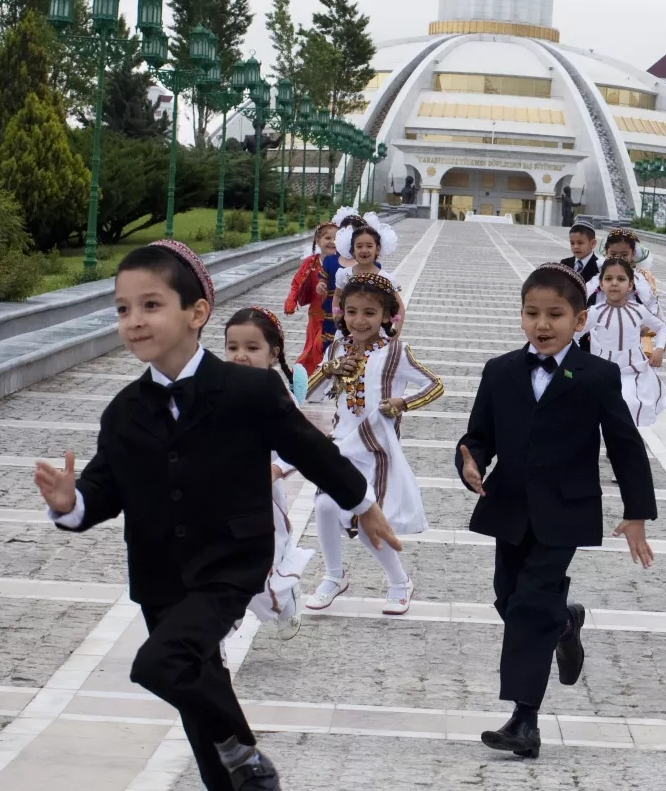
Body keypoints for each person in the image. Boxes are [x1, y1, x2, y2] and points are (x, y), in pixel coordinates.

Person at [31, 241, 401, 791]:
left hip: (230, 561)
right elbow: (104, 489)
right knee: (200, 692)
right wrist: (70, 502)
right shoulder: (124, 411)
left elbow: (310, 449)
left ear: (196, 312)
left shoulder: (248, 390)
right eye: (122, 309)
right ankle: (236, 767)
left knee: (159, 663)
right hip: (160, 575)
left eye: (151, 305)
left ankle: (242, 749)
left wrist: (363, 504)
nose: (134, 321)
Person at [455, 263, 656, 759]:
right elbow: (478, 435)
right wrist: (471, 461)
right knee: (509, 598)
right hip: (508, 506)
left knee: (527, 603)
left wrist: (637, 513)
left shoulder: (597, 376)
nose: (542, 325)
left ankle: (525, 720)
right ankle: (565, 624)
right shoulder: (499, 371)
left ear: (579, 319)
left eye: (555, 315)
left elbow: (626, 446)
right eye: (532, 314)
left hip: (566, 510)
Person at [303, 272, 440, 615]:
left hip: (376, 449)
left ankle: (399, 581)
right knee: (323, 507)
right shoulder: (336, 347)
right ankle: (335, 575)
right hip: (340, 444)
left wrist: (402, 403)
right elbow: (311, 392)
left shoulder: (396, 352)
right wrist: (332, 369)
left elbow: (434, 385)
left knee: (368, 519)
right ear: (341, 313)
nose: (359, 321)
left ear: (386, 316)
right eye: (352, 312)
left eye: (369, 313)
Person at [222, 306, 315, 641]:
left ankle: (287, 601)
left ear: (273, 353)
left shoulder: (278, 398)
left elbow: (300, 446)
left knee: (262, 581)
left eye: (251, 348)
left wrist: (275, 469)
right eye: (233, 348)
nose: (240, 356)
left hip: (262, 509)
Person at [587, 259, 666, 427]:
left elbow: (662, 327)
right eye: (609, 279)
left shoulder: (638, 310)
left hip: (634, 369)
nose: (614, 283)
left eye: (621, 279)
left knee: (630, 403)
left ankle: (627, 443)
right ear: (601, 285)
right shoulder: (595, 312)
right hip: (604, 369)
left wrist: (659, 349)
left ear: (631, 285)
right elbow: (572, 333)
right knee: (603, 410)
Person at [283, 223, 340, 377]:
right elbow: (296, 283)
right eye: (328, 238)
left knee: (320, 345)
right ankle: (303, 379)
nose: (332, 242)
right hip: (314, 316)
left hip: (333, 316)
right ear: (318, 239)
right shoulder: (310, 262)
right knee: (309, 348)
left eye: (336, 238)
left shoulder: (342, 263)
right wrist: (291, 301)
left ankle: (319, 378)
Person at [331, 223, 403, 338]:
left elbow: (399, 306)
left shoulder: (386, 278)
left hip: (375, 331)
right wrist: (337, 315)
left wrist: (396, 332)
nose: (364, 250)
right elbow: (337, 296)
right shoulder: (343, 274)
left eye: (369, 246)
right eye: (359, 246)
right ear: (353, 250)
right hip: (348, 329)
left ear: (377, 249)